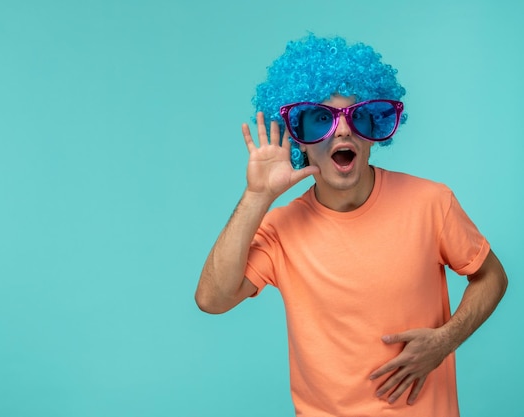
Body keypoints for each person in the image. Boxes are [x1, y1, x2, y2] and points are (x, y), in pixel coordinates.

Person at [194, 34, 508, 417]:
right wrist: (257, 196)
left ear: (373, 129)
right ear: (299, 140)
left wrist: (445, 340)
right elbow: (212, 299)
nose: (342, 131)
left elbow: (492, 276)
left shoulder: (431, 202)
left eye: (357, 117)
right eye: (320, 120)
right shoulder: (281, 228)